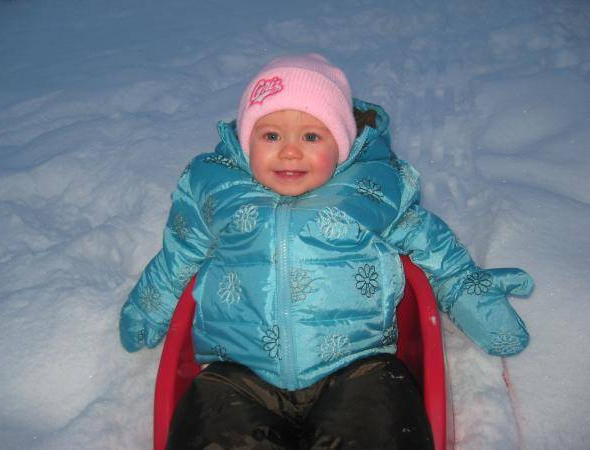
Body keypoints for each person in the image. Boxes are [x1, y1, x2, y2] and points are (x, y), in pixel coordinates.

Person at [119, 54, 534, 449]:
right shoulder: (217, 190)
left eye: (311, 136)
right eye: (271, 135)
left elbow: (436, 250)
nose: (290, 150)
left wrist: (474, 295)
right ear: (247, 142)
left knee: (380, 427)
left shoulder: (371, 191)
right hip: (237, 374)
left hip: (357, 367)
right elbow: (178, 256)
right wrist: (146, 310)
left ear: (341, 143)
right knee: (212, 428)